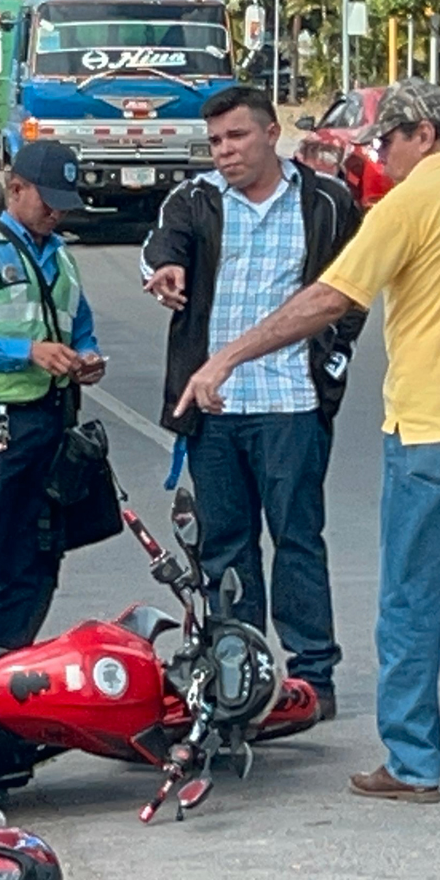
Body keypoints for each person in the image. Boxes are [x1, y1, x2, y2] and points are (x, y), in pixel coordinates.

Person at [175, 78, 440, 804]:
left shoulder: (411, 203)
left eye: (388, 142)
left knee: (410, 597)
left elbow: (329, 298)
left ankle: (412, 764)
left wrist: (226, 356)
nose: (382, 157)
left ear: (422, 136)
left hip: (433, 429)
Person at [141, 86, 364, 721]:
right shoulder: (196, 198)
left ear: (271, 133)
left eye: (236, 137)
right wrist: (164, 271)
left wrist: (334, 357)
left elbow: (354, 287)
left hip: (292, 402)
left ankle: (313, 677)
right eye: (214, 141)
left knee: (298, 539)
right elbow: (163, 247)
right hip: (215, 405)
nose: (225, 152)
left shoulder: (325, 199)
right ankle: (242, 674)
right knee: (225, 546)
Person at [0, 140, 106, 649]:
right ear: (15, 190)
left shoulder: (63, 258)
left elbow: (83, 328)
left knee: (38, 557)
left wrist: (87, 358)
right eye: (47, 201)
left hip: (52, 424)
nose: (56, 212)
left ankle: (11, 666)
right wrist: (27, 351)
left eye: (63, 203)